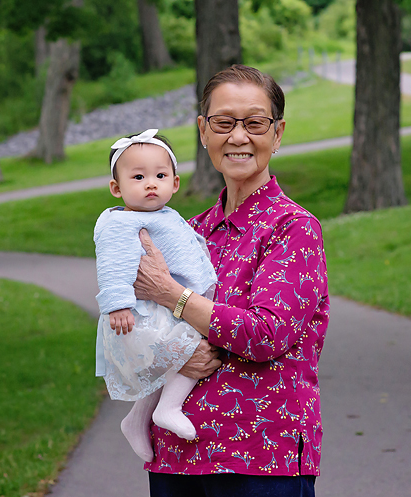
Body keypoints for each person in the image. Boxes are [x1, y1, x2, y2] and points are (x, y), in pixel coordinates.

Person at [133, 65, 330, 496]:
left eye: (255, 123)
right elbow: (134, 333)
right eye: (224, 123)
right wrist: (173, 357)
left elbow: (266, 333)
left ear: (277, 134)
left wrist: (173, 295)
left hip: (260, 458)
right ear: (203, 131)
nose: (238, 137)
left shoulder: (293, 228)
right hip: (176, 457)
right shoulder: (186, 232)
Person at [94, 129, 218, 462]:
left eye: (160, 176)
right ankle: (168, 408)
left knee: (179, 354)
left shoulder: (165, 215)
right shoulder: (119, 223)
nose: (151, 183)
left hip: (170, 304)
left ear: (175, 183)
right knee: (191, 347)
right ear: (116, 189)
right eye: (138, 177)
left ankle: (137, 419)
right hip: (144, 312)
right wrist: (117, 303)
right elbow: (112, 263)